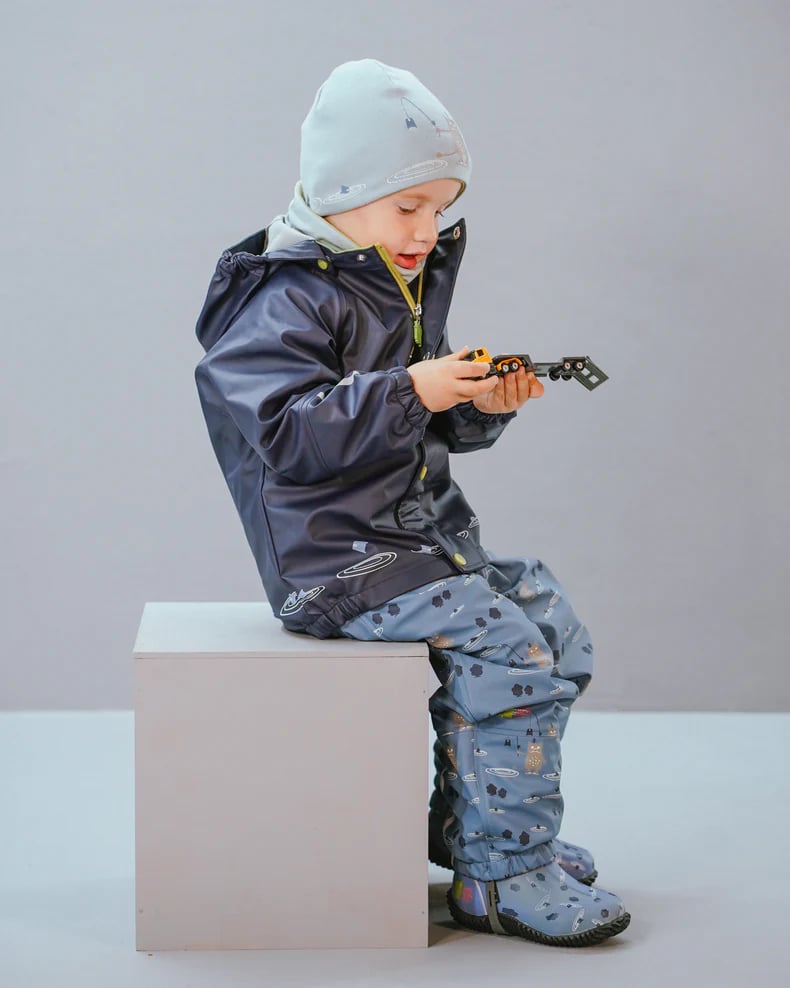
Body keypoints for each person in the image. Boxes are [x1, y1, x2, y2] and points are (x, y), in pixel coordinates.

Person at [194, 58, 630, 947]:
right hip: (337, 563)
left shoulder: (392, 282)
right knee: (506, 648)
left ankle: (476, 822)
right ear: (340, 194)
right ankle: (500, 875)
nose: (427, 229)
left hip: (413, 540)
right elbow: (288, 437)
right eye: (408, 206)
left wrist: (474, 406)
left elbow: (406, 430)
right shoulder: (278, 301)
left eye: (440, 207)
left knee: (549, 620)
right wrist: (413, 389)